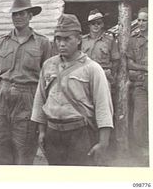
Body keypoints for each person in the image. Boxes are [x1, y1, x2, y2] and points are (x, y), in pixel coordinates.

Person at [31, 14, 114, 166]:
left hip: (80, 133)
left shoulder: (92, 68)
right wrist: (42, 131)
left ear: (78, 39)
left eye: (67, 39)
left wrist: (103, 142)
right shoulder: (48, 65)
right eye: (58, 39)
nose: (61, 44)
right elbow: (40, 100)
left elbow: (103, 107)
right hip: (53, 132)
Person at [0, 0, 52, 165]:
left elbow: (47, 82)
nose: (17, 17)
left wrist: (42, 115)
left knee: (23, 152)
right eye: (14, 14)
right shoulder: (2, 43)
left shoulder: (42, 43)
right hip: (2, 99)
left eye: (22, 13)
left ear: (31, 16)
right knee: (0, 152)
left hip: (27, 101)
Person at [127, 7, 148, 166]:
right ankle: (144, 151)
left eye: (144, 20)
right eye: (139, 20)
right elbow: (129, 63)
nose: (141, 23)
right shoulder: (134, 39)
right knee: (138, 121)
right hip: (141, 84)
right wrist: (146, 68)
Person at [81, 9, 120, 89]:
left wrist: (111, 75)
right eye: (93, 23)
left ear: (102, 24)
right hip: (85, 76)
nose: (96, 26)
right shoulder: (82, 40)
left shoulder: (109, 40)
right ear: (89, 25)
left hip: (103, 75)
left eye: (99, 23)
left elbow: (116, 60)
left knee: (103, 100)